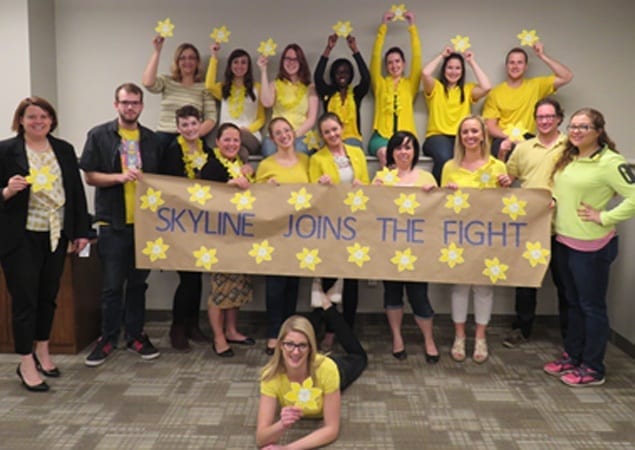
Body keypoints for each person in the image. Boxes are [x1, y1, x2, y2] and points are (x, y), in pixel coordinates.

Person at [0, 97, 90, 392]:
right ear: (21, 120)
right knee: (25, 300)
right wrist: (7, 191)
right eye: (32, 117)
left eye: (44, 117)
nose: (38, 121)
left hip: (56, 234)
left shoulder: (63, 149)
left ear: (52, 120)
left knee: (48, 296)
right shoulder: (6, 151)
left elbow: (75, 193)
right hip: (20, 236)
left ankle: (42, 350)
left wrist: (81, 231)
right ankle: (25, 361)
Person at [543, 108, 635, 387]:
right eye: (573, 126)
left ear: (598, 131)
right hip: (564, 241)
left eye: (583, 127)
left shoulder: (610, 161)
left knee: (591, 307)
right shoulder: (570, 157)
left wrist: (604, 217)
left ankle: (593, 367)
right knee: (572, 304)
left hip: (591, 247)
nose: (576, 131)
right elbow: (566, 192)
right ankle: (573, 355)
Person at [80, 83, 163, 367]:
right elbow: (90, 176)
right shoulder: (99, 135)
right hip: (112, 222)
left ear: (141, 106)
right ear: (116, 104)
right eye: (125, 103)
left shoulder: (151, 139)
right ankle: (108, 338)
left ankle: (136, 336)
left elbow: (163, 182)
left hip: (145, 224)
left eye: (136, 103)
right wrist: (119, 177)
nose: (131, 107)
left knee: (138, 284)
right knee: (113, 286)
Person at [498, 98, 568, 349]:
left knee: (565, 283)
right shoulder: (524, 148)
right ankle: (522, 329)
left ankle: (569, 334)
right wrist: (503, 162)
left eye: (550, 116)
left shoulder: (571, 146)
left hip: (564, 227)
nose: (545, 121)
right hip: (530, 227)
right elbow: (508, 178)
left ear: (559, 118)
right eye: (540, 117)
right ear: (534, 120)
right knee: (526, 282)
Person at [256, 292, 367, 449]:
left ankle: (329, 309)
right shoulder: (270, 375)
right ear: (280, 345)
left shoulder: (327, 370)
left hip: (336, 368)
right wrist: (281, 425)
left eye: (302, 345)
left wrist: (288, 449)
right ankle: (322, 307)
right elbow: (261, 438)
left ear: (311, 348)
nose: (295, 352)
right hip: (314, 364)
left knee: (359, 357)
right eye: (289, 344)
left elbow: (331, 429)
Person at [441, 115, 509, 363]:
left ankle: (480, 337)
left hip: (487, 236)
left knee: (483, 286)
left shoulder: (497, 166)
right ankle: (459, 336)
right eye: (465, 132)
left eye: (474, 131)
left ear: (483, 135)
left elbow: (504, 204)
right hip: (458, 235)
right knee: (459, 286)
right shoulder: (450, 166)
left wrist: (505, 187)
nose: (470, 136)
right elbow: (440, 205)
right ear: (460, 137)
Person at [371, 130, 440, 363]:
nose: (403, 152)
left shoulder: (427, 178)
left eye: (408, 147)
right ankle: (397, 338)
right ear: (391, 152)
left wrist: (435, 195)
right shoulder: (382, 178)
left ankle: (429, 340)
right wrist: (374, 193)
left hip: (418, 250)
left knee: (419, 296)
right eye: (399, 147)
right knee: (392, 294)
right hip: (389, 248)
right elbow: (371, 214)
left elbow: (438, 213)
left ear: (415, 152)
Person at [309, 112, 369, 350]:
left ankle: (348, 329)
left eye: (335, 129)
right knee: (329, 278)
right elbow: (312, 194)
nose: (332, 135)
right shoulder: (317, 159)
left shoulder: (357, 154)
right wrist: (320, 186)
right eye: (327, 132)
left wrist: (361, 185)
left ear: (342, 128)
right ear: (322, 136)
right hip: (329, 225)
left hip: (354, 223)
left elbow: (364, 183)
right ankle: (330, 329)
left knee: (352, 279)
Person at [158, 105, 212, 351]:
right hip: (179, 223)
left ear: (200, 124)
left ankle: (193, 325)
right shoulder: (172, 150)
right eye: (185, 125)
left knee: (197, 276)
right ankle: (177, 328)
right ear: (178, 127)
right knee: (187, 278)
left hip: (200, 224)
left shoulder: (206, 149)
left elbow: (217, 176)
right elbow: (169, 184)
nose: (190, 129)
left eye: (193, 124)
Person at [199, 122, 255, 357]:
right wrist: (228, 186)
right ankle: (219, 336)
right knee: (220, 289)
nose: (232, 144)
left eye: (236, 140)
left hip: (239, 234)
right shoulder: (211, 166)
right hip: (219, 237)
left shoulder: (240, 165)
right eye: (227, 140)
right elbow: (204, 197)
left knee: (237, 286)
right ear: (217, 142)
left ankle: (231, 329)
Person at [255, 117, 310, 354]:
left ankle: (289, 333)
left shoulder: (307, 161)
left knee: (293, 286)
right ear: (272, 138)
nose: (284, 135)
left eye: (287, 130)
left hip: (301, 233)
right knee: (275, 286)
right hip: (275, 233)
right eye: (278, 133)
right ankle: (273, 333)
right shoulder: (266, 165)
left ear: (293, 133)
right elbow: (256, 199)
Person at [482, 43, 573, 160]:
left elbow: (567, 76)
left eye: (520, 62)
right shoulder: (495, 93)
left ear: (526, 67)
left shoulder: (536, 85)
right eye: (512, 62)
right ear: (506, 66)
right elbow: (490, 127)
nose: (515, 66)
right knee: (503, 154)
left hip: (528, 137)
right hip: (503, 138)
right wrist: (512, 138)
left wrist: (542, 56)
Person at [421, 47, 491, 183]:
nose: (453, 72)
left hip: (460, 138)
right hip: (436, 137)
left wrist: (471, 62)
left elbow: (487, 87)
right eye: (450, 68)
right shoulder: (436, 87)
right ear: (444, 70)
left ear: (462, 71)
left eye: (458, 68)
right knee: (446, 158)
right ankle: (439, 192)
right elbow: (425, 73)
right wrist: (442, 55)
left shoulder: (467, 89)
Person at [142, 35, 217, 149]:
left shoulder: (204, 87)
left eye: (192, 58)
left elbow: (211, 118)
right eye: (183, 58)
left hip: (191, 137)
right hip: (164, 135)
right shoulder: (167, 81)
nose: (187, 61)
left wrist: (192, 134)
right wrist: (157, 51)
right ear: (177, 62)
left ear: (197, 62)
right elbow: (148, 83)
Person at [369, 9, 421, 168]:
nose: (394, 65)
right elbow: (375, 58)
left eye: (398, 61)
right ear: (386, 66)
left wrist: (412, 27)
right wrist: (383, 27)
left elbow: (417, 57)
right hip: (381, 137)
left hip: (405, 136)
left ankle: (401, 189)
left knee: (401, 154)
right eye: (390, 62)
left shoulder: (410, 84)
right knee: (386, 154)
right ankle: (386, 190)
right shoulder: (380, 84)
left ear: (404, 64)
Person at [205, 44, 265, 160]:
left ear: (248, 66)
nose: (239, 65)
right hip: (228, 138)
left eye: (243, 62)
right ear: (230, 65)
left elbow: (261, 118)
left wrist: (248, 129)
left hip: (249, 135)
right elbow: (209, 86)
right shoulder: (223, 88)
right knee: (240, 152)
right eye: (236, 62)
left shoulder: (257, 88)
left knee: (234, 137)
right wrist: (214, 56)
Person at [259, 44, 319, 156]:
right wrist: (263, 70)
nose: (291, 62)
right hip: (276, 135)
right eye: (288, 59)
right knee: (269, 151)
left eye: (295, 59)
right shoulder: (275, 84)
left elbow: (311, 119)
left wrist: (294, 135)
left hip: (301, 134)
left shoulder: (310, 88)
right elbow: (266, 103)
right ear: (282, 61)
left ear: (301, 62)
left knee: (299, 152)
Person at [313, 33, 370, 151]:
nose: (342, 75)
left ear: (351, 75)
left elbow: (366, 78)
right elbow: (318, 77)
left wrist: (355, 50)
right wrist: (328, 49)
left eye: (346, 72)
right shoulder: (327, 93)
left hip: (352, 139)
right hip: (330, 139)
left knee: (352, 151)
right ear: (333, 75)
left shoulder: (356, 94)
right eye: (338, 72)